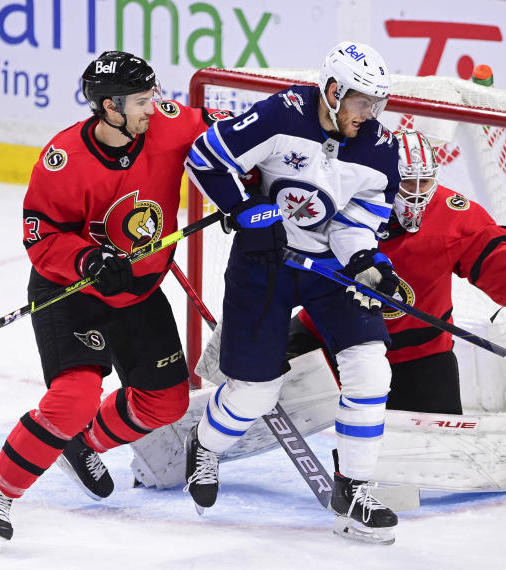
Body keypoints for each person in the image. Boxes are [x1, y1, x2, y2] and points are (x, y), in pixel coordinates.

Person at [0, 51, 231, 553]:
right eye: (140, 101)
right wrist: (87, 261)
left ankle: (83, 443)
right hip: (70, 290)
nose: (153, 107)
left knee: (166, 402)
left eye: (153, 95)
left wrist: (253, 185)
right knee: (72, 400)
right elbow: (40, 235)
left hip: (139, 290)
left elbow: (229, 134)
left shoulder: (170, 124)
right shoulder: (62, 159)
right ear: (109, 107)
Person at [182, 41, 401, 545]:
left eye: (377, 103)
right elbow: (205, 156)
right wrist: (243, 210)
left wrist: (364, 262)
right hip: (265, 264)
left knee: (370, 367)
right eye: (362, 101)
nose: (370, 114)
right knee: (255, 391)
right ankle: (207, 444)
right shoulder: (278, 115)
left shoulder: (379, 148)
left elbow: (358, 219)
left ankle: (354, 489)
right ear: (332, 91)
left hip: (327, 269)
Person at [288, 127, 506, 416]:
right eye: (405, 183)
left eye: (423, 183)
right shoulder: (342, 201)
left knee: (439, 456)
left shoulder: (454, 217)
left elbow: (498, 260)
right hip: (328, 337)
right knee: (249, 371)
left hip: (420, 356)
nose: (414, 194)